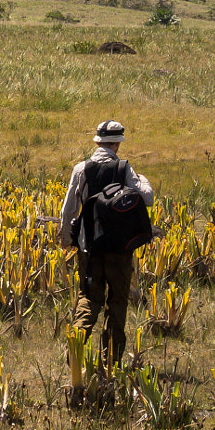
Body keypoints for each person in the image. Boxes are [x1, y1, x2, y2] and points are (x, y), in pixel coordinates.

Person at [58, 119, 155, 365]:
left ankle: (75, 354)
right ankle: (109, 362)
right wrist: (142, 180)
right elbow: (148, 198)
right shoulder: (124, 169)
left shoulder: (81, 169)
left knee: (89, 297)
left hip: (89, 248)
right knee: (117, 302)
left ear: (98, 142)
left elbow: (68, 210)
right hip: (119, 249)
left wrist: (67, 239)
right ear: (117, 144)